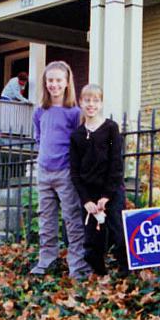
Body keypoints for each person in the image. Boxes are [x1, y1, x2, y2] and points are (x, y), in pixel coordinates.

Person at [30, 61, 91, 279]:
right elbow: (39, 138)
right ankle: (47, 260)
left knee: (72, 219)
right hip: (44, 172)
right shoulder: (40, 112)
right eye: (50, 80)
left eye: (58, 80)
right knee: (46, 220)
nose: (53, 85)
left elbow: (79, 142)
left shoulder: (74, 113)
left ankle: (78, 265)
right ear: (45, 84)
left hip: (65, 172)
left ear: (66, 83)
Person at [69, 84, 129, 276]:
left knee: (118, 234)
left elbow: (115, 163)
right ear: (80, 103)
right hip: (90, 194)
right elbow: (75, 171)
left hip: (110, 191)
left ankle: (125, 274)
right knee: (92, 242)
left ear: (101, 103)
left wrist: (107, 196)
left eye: (95, 100)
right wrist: (86, 200)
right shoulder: (77, 136)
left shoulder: (111, 130)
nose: (91, 104)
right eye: (87, 100)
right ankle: (100, 275)